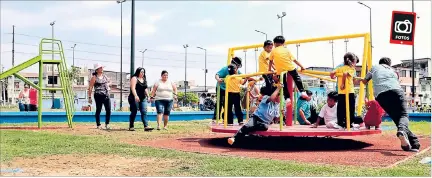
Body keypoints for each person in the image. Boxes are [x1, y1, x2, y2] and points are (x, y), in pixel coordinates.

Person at [360, 57, 420, 152]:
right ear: (389, 64)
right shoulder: (393, 70)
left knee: (397, 118)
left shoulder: (374, 67)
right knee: (403, 115)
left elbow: (364, 81)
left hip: (381, 96)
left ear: (380, 62)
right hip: (396, 91)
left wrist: (359, 79)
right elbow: (396, 80)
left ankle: (414, 143)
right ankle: (403, 133)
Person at [269, 36, 307, 107]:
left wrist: (269, 69)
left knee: (283, 84)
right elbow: (294, 60)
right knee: (297, 78)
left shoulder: (273, 51)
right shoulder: (287, 50)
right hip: (290, 67)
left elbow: (270, 61)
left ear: (274, 44)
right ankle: (302, 91)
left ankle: (287, 98)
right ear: (283, 43)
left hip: (280, 70)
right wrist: (302, 66)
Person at [330, 52, 358, 129]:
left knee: (341, 108)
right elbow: (346, 74)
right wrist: (343, 83)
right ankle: (350, 123)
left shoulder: (339, 68)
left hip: (341, 92)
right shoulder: (352, 69)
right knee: (351, 108)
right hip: (349, 91)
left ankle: (340, 123)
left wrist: (332, 76)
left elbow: (332, 73)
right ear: (352, 62)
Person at [213, 57, 243, 122]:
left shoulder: (237, 71)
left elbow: (242, 76)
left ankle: (225, 118)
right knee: (220, 102)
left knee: (227, 104)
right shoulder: (225, 69)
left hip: (229, 90)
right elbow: (217, 74)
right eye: (237, 67)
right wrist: (218, 79)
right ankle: (216, 118)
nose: (237, 69)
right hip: (221, 88)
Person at [128, 67, 154, 132]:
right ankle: (131, 126)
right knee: (134, 112)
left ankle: (146, 126)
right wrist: (136, 96)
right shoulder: (134, 78)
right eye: (141, 72)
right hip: (134, 97)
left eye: (143, 72)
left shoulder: (144, 79)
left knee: (144, 111)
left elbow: (145, 89)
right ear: (138, 72)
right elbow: (133, 88)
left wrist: (148, 96)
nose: (142, 73)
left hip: (143, 98)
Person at [88, 63, 112, 130]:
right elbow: (90, 87)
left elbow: (110, 82)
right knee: (98, 109)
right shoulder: (94, 77)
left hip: (106, 95)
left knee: (108, 110)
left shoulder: (105, 76)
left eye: (102, 67)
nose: (102, 69)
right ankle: (98, 124)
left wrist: (108, 84)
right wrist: (89, 97)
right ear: (96, 70)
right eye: (100, 68)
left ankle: (107, 124)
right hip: (98, 95)